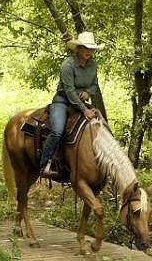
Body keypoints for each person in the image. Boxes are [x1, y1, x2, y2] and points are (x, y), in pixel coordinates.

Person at [39, 31, 104, 178]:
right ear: (78, 48)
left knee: (100, 124)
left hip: (80, 102)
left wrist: (88, 92)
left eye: (91, 48)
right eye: (86, 48)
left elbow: (94, 85)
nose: (89, 51)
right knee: (57, 130)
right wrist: (84, 110)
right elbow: (69, 91)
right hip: (62, 101)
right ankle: (43, 164)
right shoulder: (67, 65)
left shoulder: (93, 65)